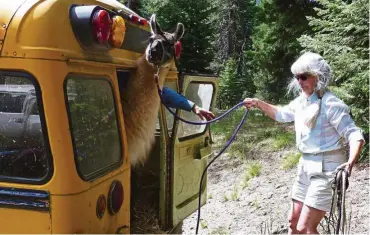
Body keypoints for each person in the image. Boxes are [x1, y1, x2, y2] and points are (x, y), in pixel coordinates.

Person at [243, 52, 364, 234]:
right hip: (305, 166)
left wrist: (350, 163)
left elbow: (355, 135)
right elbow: (282, 114)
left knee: (306, 228)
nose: (300, 81)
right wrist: (259, 103)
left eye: (304, 77)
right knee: (293, 223)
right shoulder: (301, 102)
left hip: (327, 168)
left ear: (319, 77)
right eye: (297, 77)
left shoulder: (332, 104)